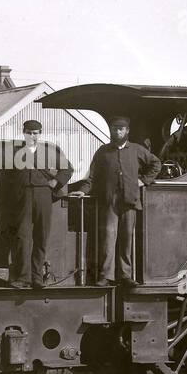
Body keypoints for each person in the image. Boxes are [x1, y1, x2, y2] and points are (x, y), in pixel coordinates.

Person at [0, 121, 73, 287]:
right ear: (24, 133)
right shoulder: (14, 150)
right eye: (29, 133)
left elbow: (67, 169)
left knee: (41, 236)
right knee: (22, 237)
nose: (33, 136)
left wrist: (56, 182)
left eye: (36, 133)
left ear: (40, 133)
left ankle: (37, 277)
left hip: (43, 195)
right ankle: (24, 277)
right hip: (21, 196)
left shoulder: (48, 151)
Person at [78, 115, 161, 286]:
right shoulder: (103, 151)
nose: (117, 131)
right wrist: (82, 191)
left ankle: (125, 275)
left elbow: (156, 164)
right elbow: (92, 176)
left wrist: (143, 180)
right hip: (109, 201)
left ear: (127, 131)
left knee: (126, 239)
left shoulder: (137, 150)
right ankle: (106, 276)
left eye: (120, 128)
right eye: (114, 128)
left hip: (130, 201)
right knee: (108, 238)